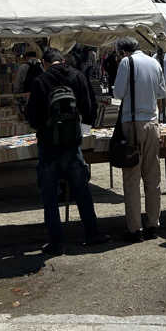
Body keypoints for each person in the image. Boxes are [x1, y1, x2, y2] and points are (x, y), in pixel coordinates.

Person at [25, 47, 109, 254]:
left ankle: (56, 242)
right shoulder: (77, 76)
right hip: (72, 145)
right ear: (62, 60)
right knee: (82, 190)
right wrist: (80, 131)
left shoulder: (40, 81)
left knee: (50, 196)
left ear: (45, 63)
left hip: (48, 145)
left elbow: (32, 117)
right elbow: (90, 108)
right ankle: (92, 234)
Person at [113, 38, 166, 241]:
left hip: (132, 123)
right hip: (152, 123)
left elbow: (118, 93)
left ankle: (135, 229)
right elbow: (161, 91)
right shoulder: (154, 62)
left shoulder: (127, 63)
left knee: (132, 179)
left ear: (123, 51)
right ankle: (153, 224)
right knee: (153, 177)